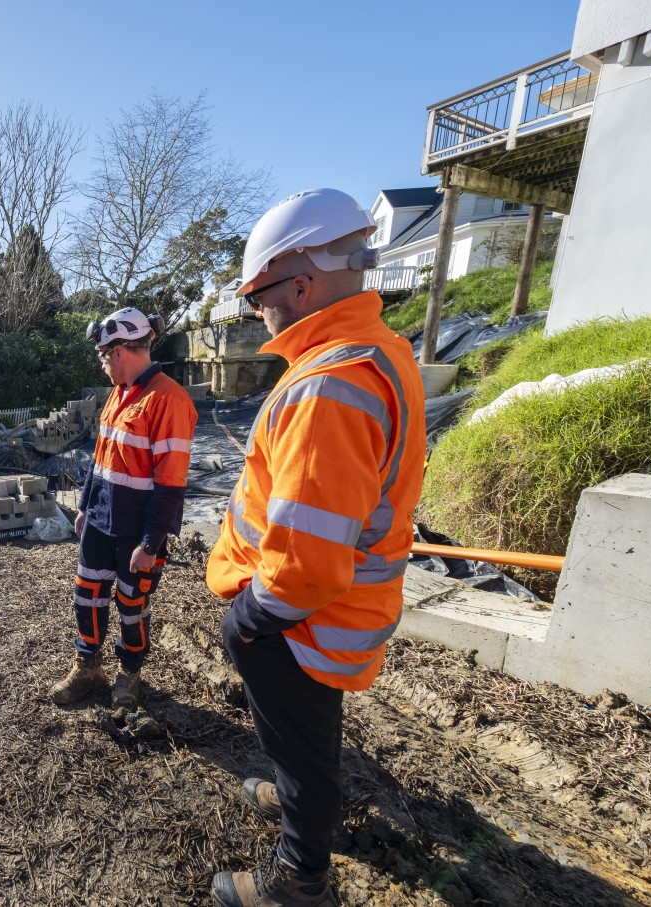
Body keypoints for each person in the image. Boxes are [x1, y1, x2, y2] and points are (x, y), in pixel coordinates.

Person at [206, 189, 427, 907]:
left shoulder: (329, 383)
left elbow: (307, 559)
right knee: (304, 730)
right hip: (335, 608)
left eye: (260, 295)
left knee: (301, 739)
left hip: (305, 616)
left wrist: (248, 619)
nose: (258, 313)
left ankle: (300, 879)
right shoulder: (375, 350)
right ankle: (295, 793)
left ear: (301, 283)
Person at [49, 306, 198, 710]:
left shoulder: (170, 400)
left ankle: (129, 675)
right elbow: (100, 460)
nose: (102, 365)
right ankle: (88, 666)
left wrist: (151, 542)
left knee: (132, 607)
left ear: (119, 351)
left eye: (103, 356)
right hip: (100, 521)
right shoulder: (119, 394)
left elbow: (171, 483)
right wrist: (84, 507)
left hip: (137, 531)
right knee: (88, 595)